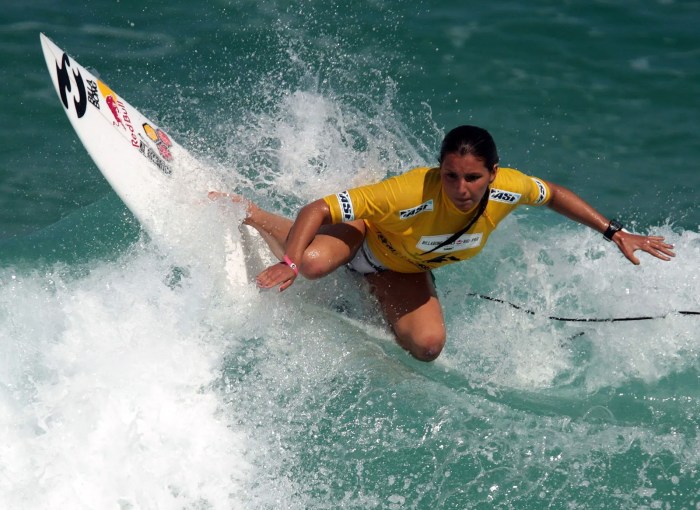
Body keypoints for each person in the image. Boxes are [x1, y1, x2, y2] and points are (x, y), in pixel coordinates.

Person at [211, 125, 675, 362]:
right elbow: (317, 208)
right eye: (451, 175)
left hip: (403, 269)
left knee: (428, 348)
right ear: (439, 170)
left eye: (473, 177)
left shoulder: (509, 188)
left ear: (493, 174)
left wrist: (614, 231)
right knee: (313, 264)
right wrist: (290, 263)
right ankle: (252, 213)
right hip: (364, 240)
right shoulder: (409, 190)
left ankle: (373, 293)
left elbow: (552, 194)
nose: (461, 187)